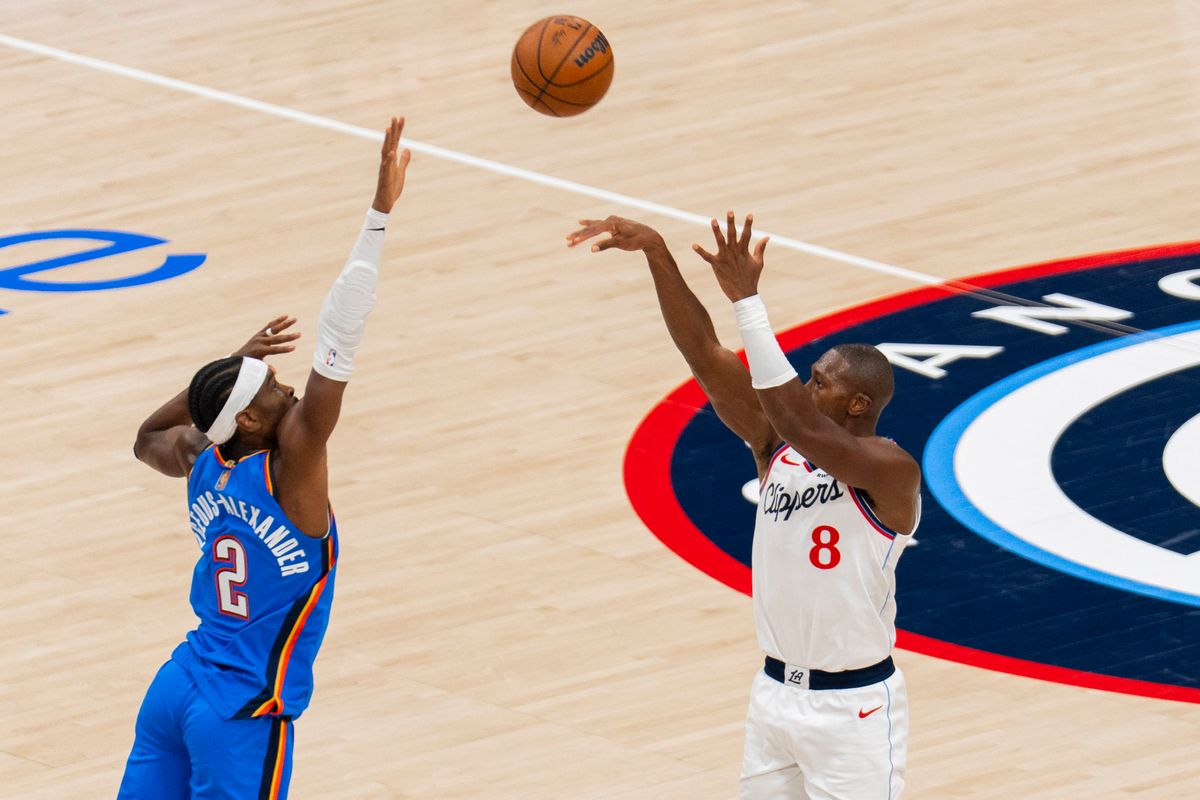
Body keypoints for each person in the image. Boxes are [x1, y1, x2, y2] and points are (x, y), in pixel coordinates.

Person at [567, 213, 921, 799]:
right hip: (775, 695)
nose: (809, 388)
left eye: (821, 382)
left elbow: (802, 427)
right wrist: (656, 251)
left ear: (858, 403)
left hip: (854, 710)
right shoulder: (777, 445)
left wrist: (748, 302)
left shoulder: (888, 468)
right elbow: (704, 354)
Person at [117, 116, 411, 800]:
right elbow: (342, 331)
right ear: (249, 419)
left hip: (177, 686)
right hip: (240, 711)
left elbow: (143, 437)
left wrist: (230, 365)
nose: (291, 389)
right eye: (274, 389)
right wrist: (378, 217)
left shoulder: (199, 458)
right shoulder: (293, 469)